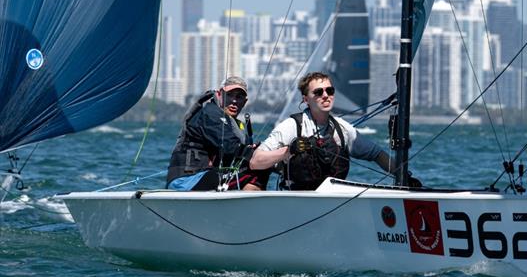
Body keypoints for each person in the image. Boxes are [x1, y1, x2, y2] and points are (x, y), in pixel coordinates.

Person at [253, 71, 421, 190]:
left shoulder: (343, 129)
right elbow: (255, 161)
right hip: (297, 198)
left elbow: (377, 154)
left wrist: (404, 176)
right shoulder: (291, 126)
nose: (326, 95)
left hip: (332, 200)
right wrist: (288, 150)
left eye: (330, 90)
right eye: (318, 92)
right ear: (306, 99)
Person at [166, 76, 272, 191]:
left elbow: (233, 155)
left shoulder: (234, 125)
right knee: (258, 169)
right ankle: (250, 208)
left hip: (204, 177)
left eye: (239, 97)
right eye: (229, 95)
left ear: (245, 101)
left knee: (259, 166)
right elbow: (231, 147)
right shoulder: (210, 114)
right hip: (186, 180)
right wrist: (263, 156)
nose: (234, 101)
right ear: (219, 94)